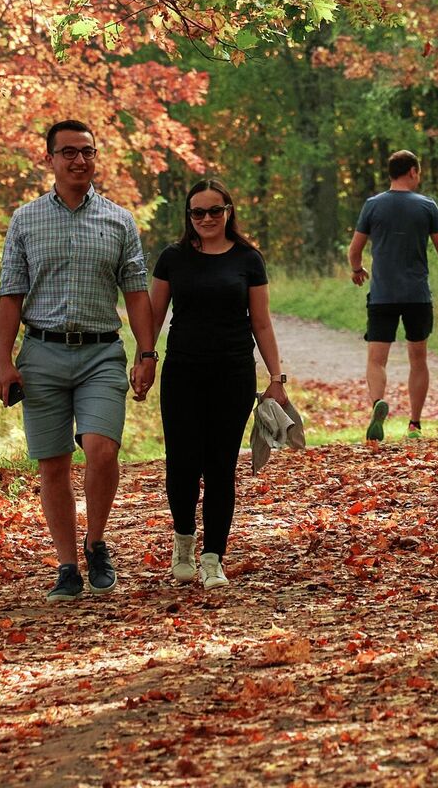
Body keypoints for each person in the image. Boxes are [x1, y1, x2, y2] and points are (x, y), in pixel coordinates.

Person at [0, 120, 158, 601]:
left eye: (87, 152)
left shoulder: (119, 220)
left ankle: (96, 541)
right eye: (68, 152)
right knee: (53, 465)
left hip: (101, 351)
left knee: (102, 448)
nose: (79, 160)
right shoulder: (25, 220)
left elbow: (135, 291)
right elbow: (10, 294)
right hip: (41, 352)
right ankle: (67, 565)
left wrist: (147, 354)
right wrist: (4, 360)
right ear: (50, 159)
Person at [148, 179, 286, 591]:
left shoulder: (248, 259)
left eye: (214, 210)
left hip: (233, 372)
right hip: (183, 372)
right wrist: (144, 359)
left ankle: (214, 558)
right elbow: (154, 316)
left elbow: (261, 322)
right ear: (188, 217)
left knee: (222, 465)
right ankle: (184, 543)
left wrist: (276, 378)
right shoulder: (172, 258)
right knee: (183, 463)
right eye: (198, 212)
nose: (206, 218)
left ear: (228, 211)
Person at [347, 150, 438, 441]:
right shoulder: (426, 206)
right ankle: (415, 424)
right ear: (413, 172)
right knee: (418, 359)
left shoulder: (372, 206)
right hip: (417, 295)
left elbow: (354, 250)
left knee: (377, 359)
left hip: (382, 296)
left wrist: (357, 269)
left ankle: (378, 403)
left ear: (391, 173)